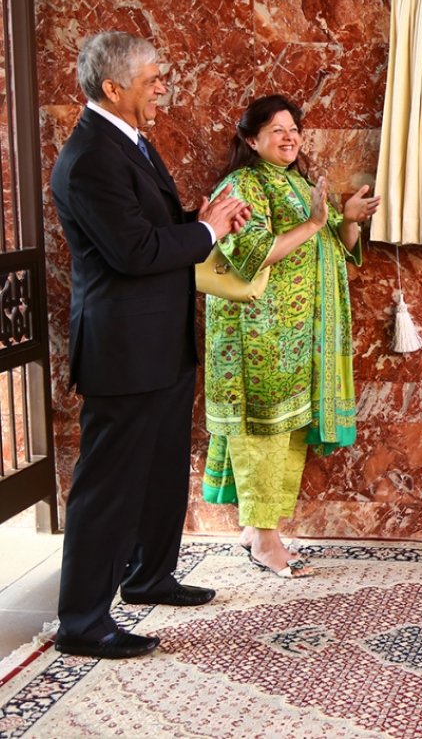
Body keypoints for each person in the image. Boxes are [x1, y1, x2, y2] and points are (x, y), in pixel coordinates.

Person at [50, 32, 249, 659]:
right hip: (124, 349)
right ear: (113, 88)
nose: (163, 85)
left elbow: (154, 228)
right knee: (109, 485)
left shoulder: (128, 140)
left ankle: (148, 577)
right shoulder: (89, 159)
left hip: (161, 342)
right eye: (152, 77)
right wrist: (206, 231)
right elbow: (133, 252)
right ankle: (82, 623)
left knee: (162, 469)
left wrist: (201, 218)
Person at [200, 95, 379, 578]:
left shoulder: (297, 182)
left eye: (293, 127)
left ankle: (262, 529)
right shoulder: (241, 185)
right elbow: (253, 253)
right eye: (276, 129)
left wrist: (348, 221)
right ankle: (262, 538)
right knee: (264, 430)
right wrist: (315, 222)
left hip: (300, 336)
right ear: (250, 139)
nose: (288, 136)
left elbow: (331, 250)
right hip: (259, 336)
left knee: (288, 432)